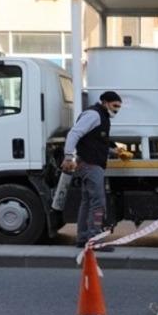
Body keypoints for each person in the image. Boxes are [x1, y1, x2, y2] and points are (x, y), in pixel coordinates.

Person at [62, 91, 125, 246]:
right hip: (91, 165)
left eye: (119, 107)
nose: (117, 109)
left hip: (88, 163)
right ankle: (94, 239)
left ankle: (83, 238)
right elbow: (74, 134)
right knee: (98, 203)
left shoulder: (100, 117)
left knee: (87, 202)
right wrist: (68, 156)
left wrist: (113, 151)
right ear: (104, 102)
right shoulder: (94, 115)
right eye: (114, 105)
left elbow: (94, 141)